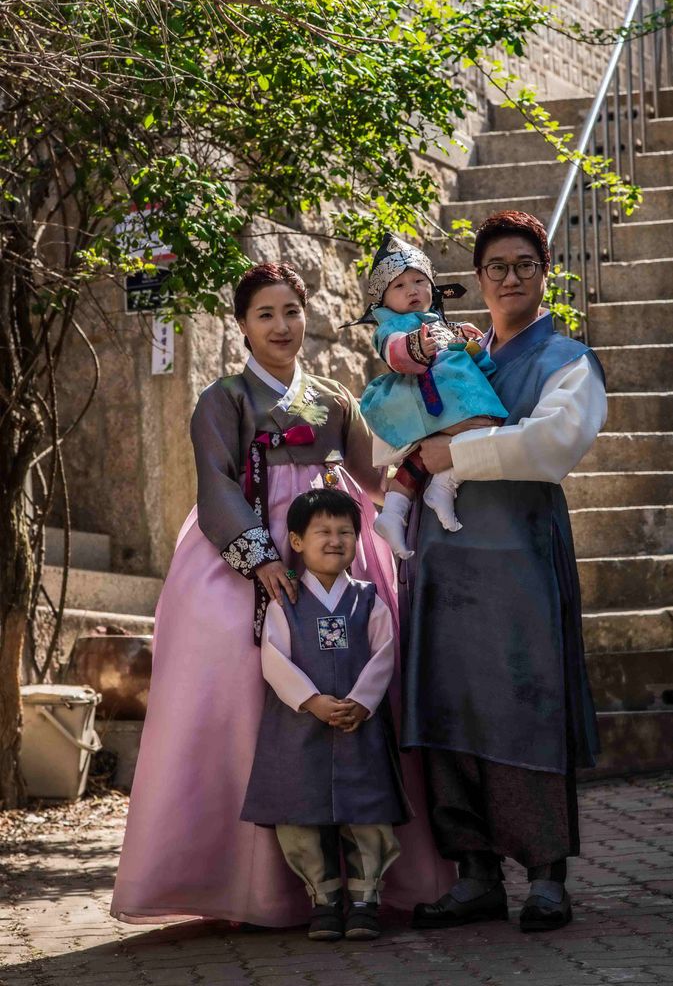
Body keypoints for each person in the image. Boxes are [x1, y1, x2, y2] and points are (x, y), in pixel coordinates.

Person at [110, 261, 452, 927]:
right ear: (241, 326)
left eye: (290, 312)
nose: (281, 326)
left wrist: (431, 461)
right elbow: (216, 485)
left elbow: (372, 476)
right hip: (249, 556)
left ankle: (362, 875)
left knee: (363, 678)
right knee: (236, 679)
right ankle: (252, 882)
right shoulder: (223, 400)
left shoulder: (333, 399)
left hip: (331, 551)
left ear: (306, 317)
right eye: (264, 314)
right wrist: (258, 557)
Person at [403, 211, 608, 933]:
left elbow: (552, 442)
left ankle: (546, 878)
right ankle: (474, 875)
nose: (511, 277)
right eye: (496, 267)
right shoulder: (458, 356)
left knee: (526, 709)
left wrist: (452, 458)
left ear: (544, 272)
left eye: (524, 264)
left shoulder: (565, 356)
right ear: (479, 279)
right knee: (449, 704)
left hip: (519, 559)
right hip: (445, 565)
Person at [241, 489, 410, 942]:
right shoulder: (285, 601)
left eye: (345, 532)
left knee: (367, 813)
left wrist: (362, 700)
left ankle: (364, 899)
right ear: (296, 541)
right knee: (299, 814)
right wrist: (311, 700)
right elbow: (273, 658)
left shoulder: (368, 599)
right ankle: (324, 899)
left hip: (360, 725)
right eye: (323, 532)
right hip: (299, 728)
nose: (335, 540)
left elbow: (384, 654)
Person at [357, 233, 508, 559]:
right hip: (421, 395)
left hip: (450, 396)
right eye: (399, 286)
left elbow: (473, 361)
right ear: (383, 301)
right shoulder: (391, 325)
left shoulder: (441, 323)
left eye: (419, 281)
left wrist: (471, 344)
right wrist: (414, 347)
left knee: (477, 430)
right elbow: (394, 350)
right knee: (484, 424)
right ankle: (438, 489)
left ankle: (399, 507)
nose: (412, 290)